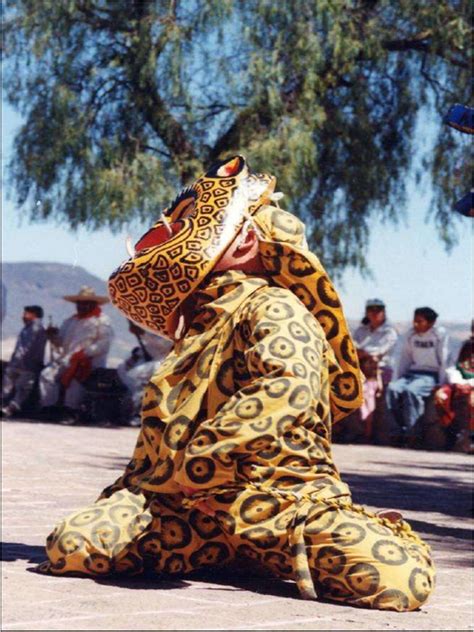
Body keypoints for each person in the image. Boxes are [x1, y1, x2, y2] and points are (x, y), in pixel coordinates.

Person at [38, 156, 434, 612]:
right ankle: (217, 550)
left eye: (189, 222)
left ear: (246, 241)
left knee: (398, 580)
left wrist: (205, 458)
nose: (171, 230)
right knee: (72, 544)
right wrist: (177, 485)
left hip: (277, 504)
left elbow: (288, 386)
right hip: (184, 509)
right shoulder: (199, 324)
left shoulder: (275, 307)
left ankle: (271, 548)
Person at [39, 286, 114, 420]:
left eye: (85, 303)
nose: (81, 306)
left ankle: (71, 410)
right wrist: (53, 336)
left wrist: (85, 353)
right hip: (67, 359)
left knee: (76, 379)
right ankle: (49, 407)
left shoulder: (102, 321)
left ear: (93, 304)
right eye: (79, 303)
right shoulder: (70, 321)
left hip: (90, 361)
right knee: (47, 375)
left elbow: (104, 344)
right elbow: (60, 342)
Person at [386, 307, 449, 446]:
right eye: (415, 321)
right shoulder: (410, 335)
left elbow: (444, 359)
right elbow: (404, 358)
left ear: (430, 323)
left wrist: (442, 383)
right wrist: (398, 378)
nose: (416, 324)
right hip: (412, 373)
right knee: (392, 389)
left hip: (430, 375)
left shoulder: (439, 335)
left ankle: (413, 434)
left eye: (420, 321)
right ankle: (395, 433)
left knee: (412, 391)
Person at [350, 299, 398, 440]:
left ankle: (367, 430)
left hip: (380, 370)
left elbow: (379, 352)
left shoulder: (389, 332)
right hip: (360, 367)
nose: (375, 314)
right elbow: (352, 347)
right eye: (371, 310)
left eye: (378, 311)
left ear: (383, 312)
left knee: (367, 391)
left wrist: (364, 352)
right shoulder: (361, 330)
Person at [116, 321, 173, 425]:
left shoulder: (173, 327)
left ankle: (139, 415)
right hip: (146, 362)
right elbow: (148, 347)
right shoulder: (151, 325)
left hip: (162, 363)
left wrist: (142, 333)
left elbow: (164, 344)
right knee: (123, 369)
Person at [434, 324, 473, 452]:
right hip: (461, 382)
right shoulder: (467, 346)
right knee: (441, 396)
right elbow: (455, 367)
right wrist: (458, 382)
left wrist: (470, 385)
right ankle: (451, 433)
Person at [1, 305, 47, 417]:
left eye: (26, 313)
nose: (23, 316)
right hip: (20, 363)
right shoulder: (28, 327)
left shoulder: (35, 328)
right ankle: (6, 407)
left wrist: (17, 360)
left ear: (34, 315)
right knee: (12, 386)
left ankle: (10, 408)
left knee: (22, 388)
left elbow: (27, 347)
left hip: (26, 364)